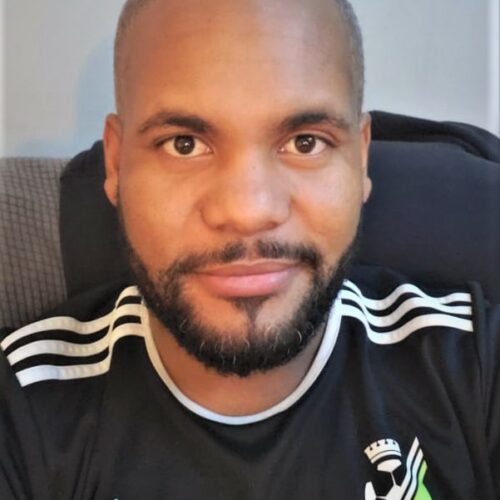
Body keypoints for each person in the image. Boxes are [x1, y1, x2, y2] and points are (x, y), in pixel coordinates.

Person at [1, 0, 499, 498]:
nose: (248, 211)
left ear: (361, 158)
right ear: (115, 163)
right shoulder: (22, 406)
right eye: (184, 144)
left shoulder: (474, 367)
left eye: (305, 142)